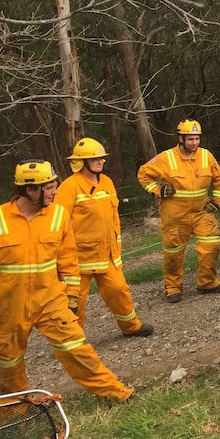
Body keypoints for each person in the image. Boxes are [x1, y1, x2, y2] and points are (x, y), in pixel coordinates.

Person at [0, 160, 133, 402]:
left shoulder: (58, 214)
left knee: (77, 348)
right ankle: (12, 414)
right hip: (8, 308)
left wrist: (72, 299)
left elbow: (68, 262)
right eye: (50, 187)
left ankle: (114, 394)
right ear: (30, 190)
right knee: (8, 363)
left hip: (51, 301)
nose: (56, 191)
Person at [56, 138, 154, 337]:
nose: (100, 161)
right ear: (82, 162)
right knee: (75, 300)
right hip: (78, 259)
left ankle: (131, 326)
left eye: (101, 158)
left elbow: (113, 217)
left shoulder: (107, 182)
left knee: (119, 290)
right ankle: (72, 339)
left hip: (106, 254)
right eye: (95, 159)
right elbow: (58, 222)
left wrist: (116, 246)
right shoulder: (69, 187)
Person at [138, 120, 220, 303]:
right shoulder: (166, 158)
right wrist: (158, 190)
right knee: (173, 254)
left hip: (202, 212)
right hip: (175, 215)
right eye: (190, 139)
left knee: (211, 245)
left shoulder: (206, 156)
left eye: (197, 139)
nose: (194, 143)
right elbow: (143, 174)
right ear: (180, 139)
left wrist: (217, 201)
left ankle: (207, 282)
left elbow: (219, 179)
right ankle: (172, 287)